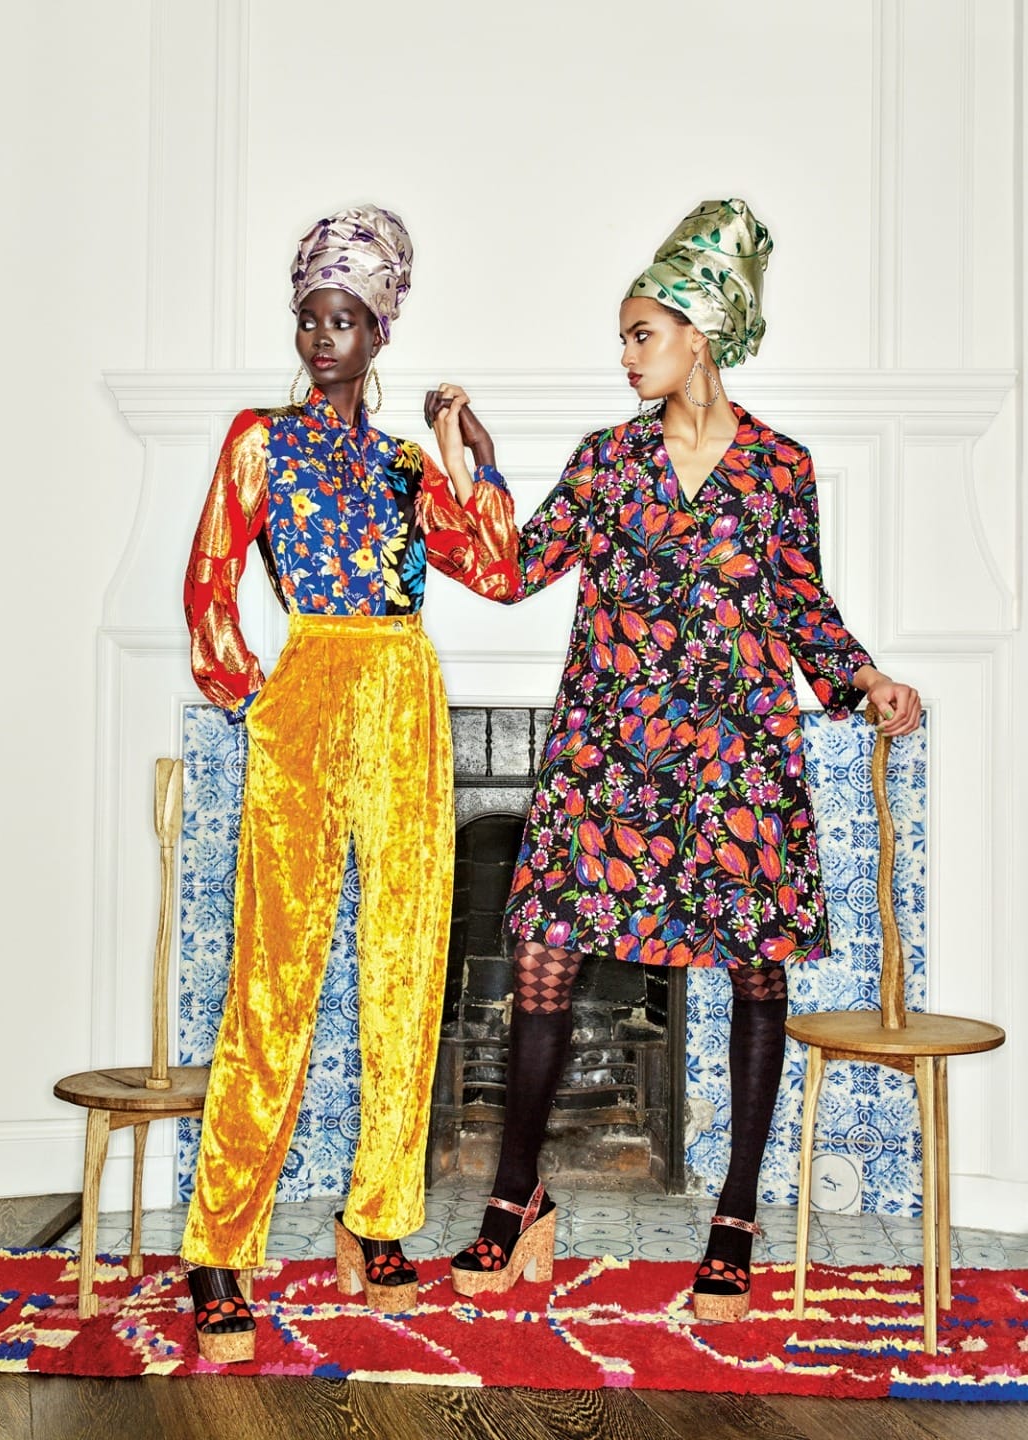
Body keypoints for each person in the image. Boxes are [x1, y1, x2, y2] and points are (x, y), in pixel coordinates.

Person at [441, 198, 921, 1322]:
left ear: (698, 331)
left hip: (735, 762)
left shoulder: (778, 470)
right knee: (546, 957)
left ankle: (733, 1220)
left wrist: (865, 681)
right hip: (605, 764)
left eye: (639, 334)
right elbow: (513, 571)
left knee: (757, 971)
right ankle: (515, 1200)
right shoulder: (606, 463)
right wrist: (475, 469)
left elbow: (802, 608)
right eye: (621, 337)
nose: (623, 356)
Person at [180, 204, 519, 1362]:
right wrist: (253, 697)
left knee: (406, 963)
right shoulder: (257, 442)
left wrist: (476, 448)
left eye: (347, 320)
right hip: (311, 683)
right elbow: (210, 588)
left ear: (380, 334)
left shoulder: (403, 463)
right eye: (311, 318)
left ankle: (376, 1221)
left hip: (405, 693)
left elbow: (501, 568)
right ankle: (220, 1244)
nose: (324, 337)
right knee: (273, 972)